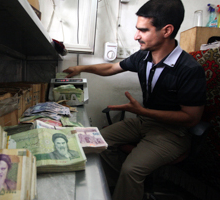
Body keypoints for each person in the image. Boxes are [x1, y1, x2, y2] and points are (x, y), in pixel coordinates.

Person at [63, 0, 206, 200]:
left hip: (173, 133)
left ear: (167, 30)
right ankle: (123, 190)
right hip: (145, 121)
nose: (136, 36)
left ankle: (129, 185)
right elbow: (111, 68)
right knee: (97, 143)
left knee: (131, 170)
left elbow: (191, 118)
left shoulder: (189, 70)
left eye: (143, 30)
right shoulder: (143, 56)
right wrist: (80, 68)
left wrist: (143, 111)